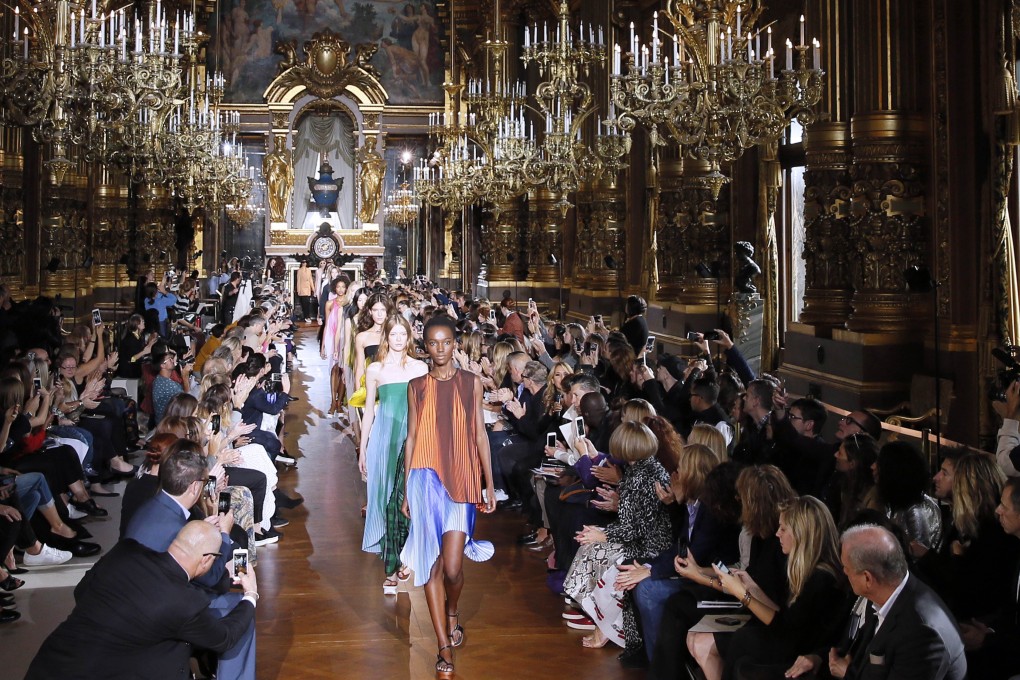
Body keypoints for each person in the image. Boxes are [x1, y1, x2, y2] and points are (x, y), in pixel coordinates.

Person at [26, 521, 258, 680]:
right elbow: (224, 638)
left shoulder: (126, 551)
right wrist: (250, 596)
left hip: (48, 663)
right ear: (206, 560)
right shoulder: (184, 602)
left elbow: (81, 591)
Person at [400, 314, 496, 679]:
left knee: (453, 567)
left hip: (462, 477)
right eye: (433, 343)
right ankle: (442, 644)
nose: (440, 349)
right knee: (431, 565)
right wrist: (407, 489)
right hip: (425, 479)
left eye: (446, 342)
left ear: (455, 344)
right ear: (425, 346)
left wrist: (489, 482)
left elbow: (481, 434)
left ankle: (452, 610)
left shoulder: (471, 383)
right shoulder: (416, 386)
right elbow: (410, 438)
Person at [835, 524, 966, 680]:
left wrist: (847, 675)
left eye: (846, 568)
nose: (844, 572)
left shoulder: (921, 635)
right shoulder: (881, 599)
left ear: (867, 578)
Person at [359, 315, 427, 594]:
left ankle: (406, 555)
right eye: (393, 334)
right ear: (386, 337)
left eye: (402, 334)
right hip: (384, 437)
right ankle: (392, 561)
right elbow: (368, 411)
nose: (398, 339)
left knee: (408, 495)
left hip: (411, 437)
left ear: (409, 337)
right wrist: (363, 447)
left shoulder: (421, 367)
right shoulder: (375, 369)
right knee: (384, 496)